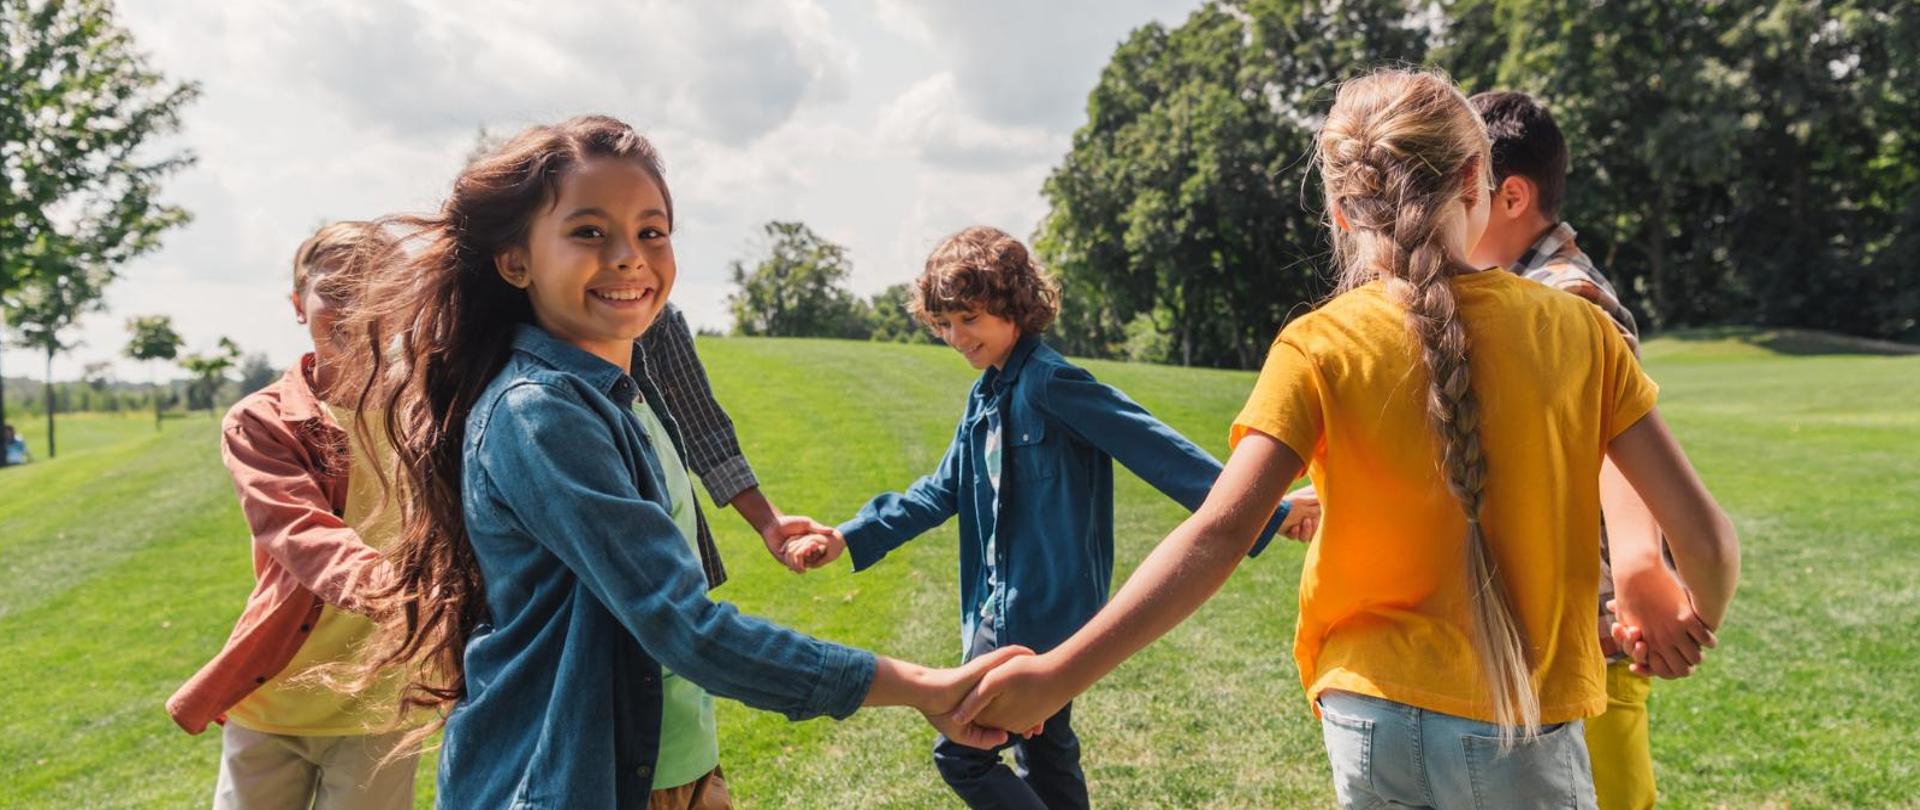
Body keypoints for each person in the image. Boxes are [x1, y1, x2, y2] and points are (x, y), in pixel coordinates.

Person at [954, 69, 1741, 810]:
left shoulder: (1317, 344)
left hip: (1369, 718)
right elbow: (1703, 536)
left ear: (1338, 211)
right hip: (1524, 725)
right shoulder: (1579, 332)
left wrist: (1058, 673)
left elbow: (1217, 533)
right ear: (1477, 181)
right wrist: (1694, 616)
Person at [337, 116, 1025, 809]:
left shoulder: (623, 388)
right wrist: (923, 686)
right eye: (588, 232)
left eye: (651, 231)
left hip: (671, 770)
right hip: (574, 783)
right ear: (516, 261)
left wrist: (766, 520)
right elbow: (684, 628)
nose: (630, 256)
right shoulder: (537, 415)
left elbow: (705, 456)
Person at [790, 225, 1310, 809]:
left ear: (1015, 306)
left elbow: (1155, 449)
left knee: (962, 747)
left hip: (1042, 611)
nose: (956, 337)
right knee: (1045, 751)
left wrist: (1269, 508)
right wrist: (845, 536)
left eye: (969, 319)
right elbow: (941, 490)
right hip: (996, 604)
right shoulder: (985, 397)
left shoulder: (1051, 383)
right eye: (944, 324)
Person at [1466, 89, 1678, 810]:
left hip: (1595, 628)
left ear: (1513, 196)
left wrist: (1642, 566)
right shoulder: (1515, 292)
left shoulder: (1567, 298)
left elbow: (1615, 436)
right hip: (1552, 622)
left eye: (1458, 193)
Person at [167, 221, 420, 809]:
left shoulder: (428, 413)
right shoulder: (261, 421)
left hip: (377, 700)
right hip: (274, 692)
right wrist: (404, 592)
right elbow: (298, 530)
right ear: (297, 303)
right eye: (336, 290)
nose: (355, 306)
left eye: (377, 289)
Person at [636, 302, 841, 577]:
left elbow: (703, 429)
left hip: (671, 545)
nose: (631, 262)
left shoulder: (659, 318)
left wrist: (769, 521)